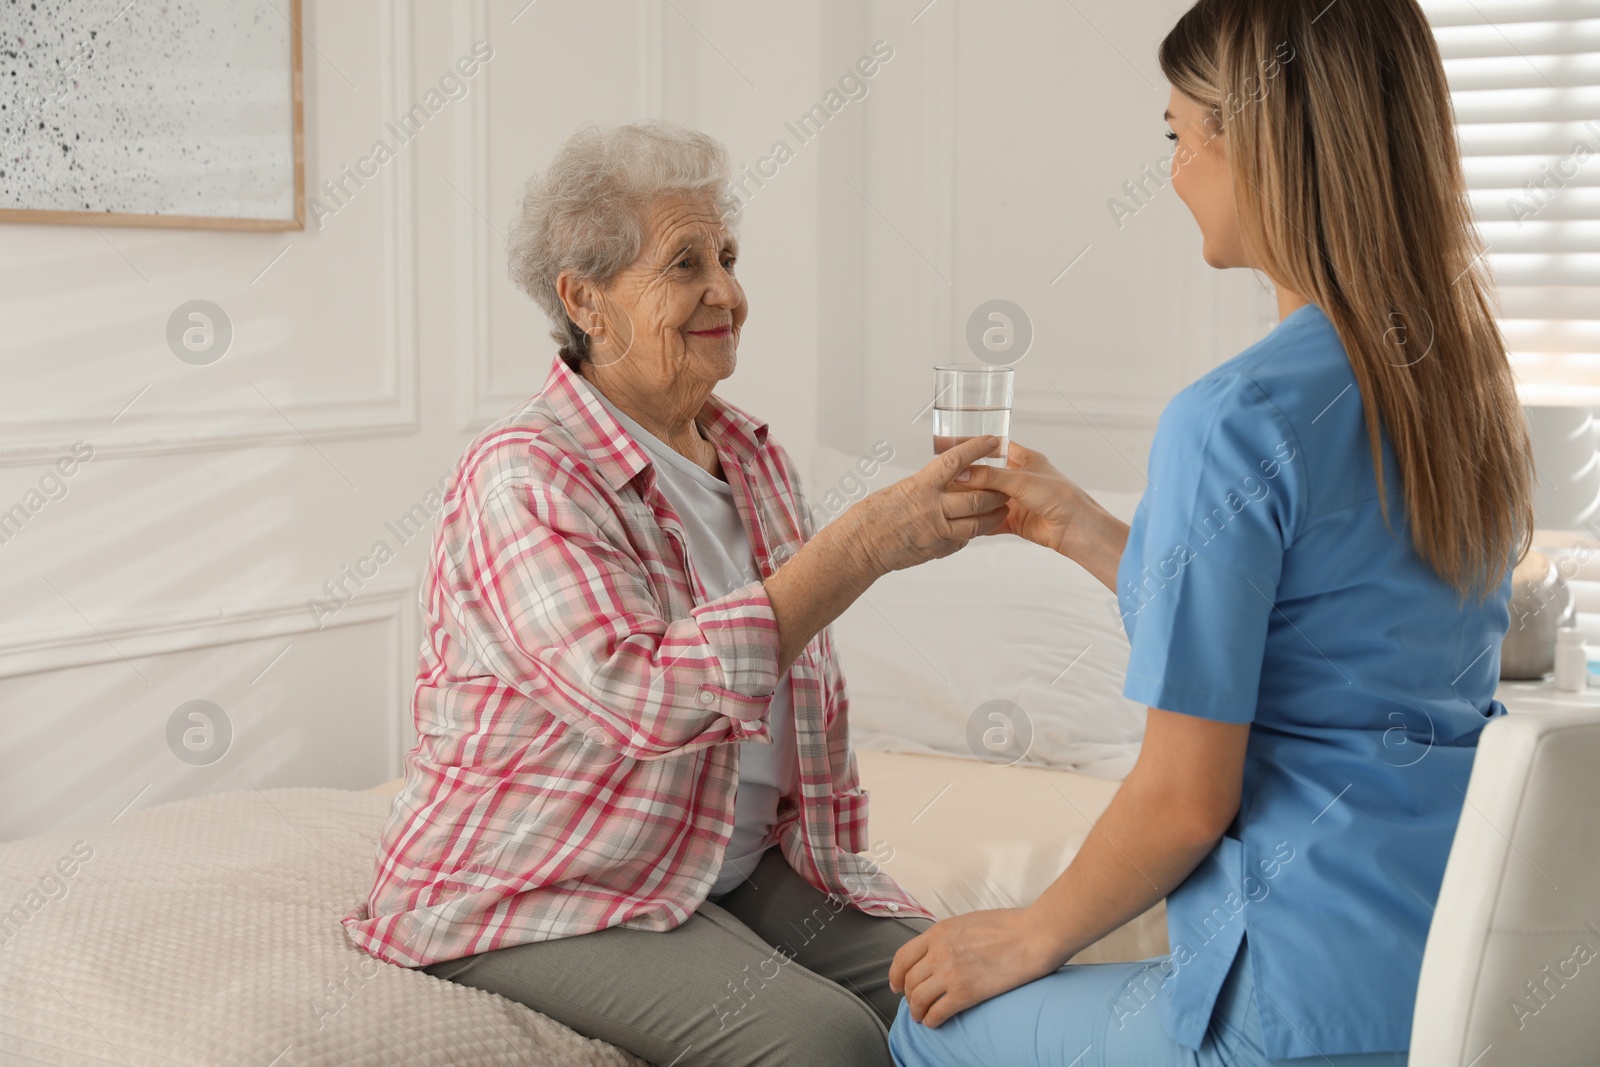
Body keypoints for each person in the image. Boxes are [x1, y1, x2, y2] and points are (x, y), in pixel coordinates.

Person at [887, 0, 1533, 1064]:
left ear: (1260, 149)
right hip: (1454, 979)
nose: (1175, 169)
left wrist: (1026, 933)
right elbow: (1312, 651)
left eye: (1178, 133)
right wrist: (1090, 532)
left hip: (1288, 1006)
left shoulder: (1235, 416)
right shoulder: (1464, 390)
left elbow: (1186, 798)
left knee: (925, 1025)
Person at [340, 121, 1008, 1067]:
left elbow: (793, 688)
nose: (727, 292)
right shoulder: (525, 478)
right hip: (539, 874)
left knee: (965, 1001)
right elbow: (645, 697)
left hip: (718, 854)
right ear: (587, 300)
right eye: (685, 263)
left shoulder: (748, 452)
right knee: (826, 1043)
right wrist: (859, 546)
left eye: (728, 257)